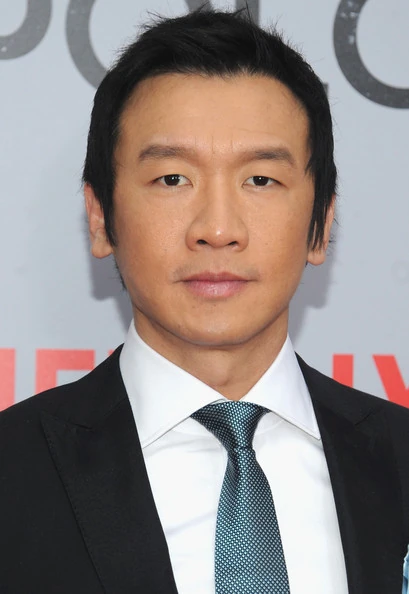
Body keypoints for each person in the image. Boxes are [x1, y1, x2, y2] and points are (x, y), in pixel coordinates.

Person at [0, 8, 408, 594]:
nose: (217, 230)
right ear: (100, 217)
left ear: (320, 225)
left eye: (260, 180)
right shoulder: (14, 469)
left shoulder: (399, 455)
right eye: (172, 179)